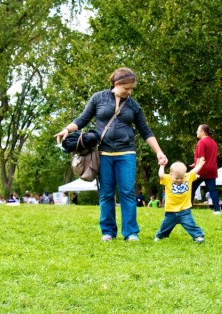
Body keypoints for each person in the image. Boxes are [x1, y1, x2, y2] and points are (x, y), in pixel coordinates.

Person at [54, 67, 168, 241]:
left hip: (126, 153)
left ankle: (130, 232)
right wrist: (66, 130)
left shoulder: (133, 105)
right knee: (106, 193)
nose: (130, 92)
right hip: (104, 154)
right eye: (127, 88)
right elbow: (82, 119)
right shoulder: (98, 98)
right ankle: (108, 232)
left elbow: (145, 131)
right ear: (116, 84)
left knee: (127, 192)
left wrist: (159, 152)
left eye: (132, 89)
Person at [154, 157, 206, 243]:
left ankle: (198, 236)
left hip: (185, 210)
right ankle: (160, 236)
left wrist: (200, 164)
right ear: (171, 174)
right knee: (165, 225)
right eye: (177, 178)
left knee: (190, 224)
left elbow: (194, 171)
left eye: (181, 178)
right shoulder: (168, 179)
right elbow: (161, 175)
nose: (179, 180)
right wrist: (162, 166)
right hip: (171, 210)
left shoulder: (188, 177)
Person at [190, 124, 220, 215]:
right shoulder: (214, 143)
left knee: (190, 187)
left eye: (198, 130)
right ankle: (217, 210)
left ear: (203, 132)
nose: (196, 132)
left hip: (201, 170)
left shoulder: (201, 142)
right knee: (213, 190)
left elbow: (201, 158)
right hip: (212, 169)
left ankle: (187, 208)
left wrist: (196, 168)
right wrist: (195, 163)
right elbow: (210, 156)